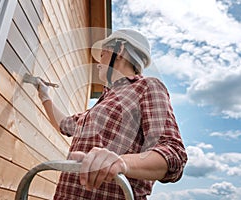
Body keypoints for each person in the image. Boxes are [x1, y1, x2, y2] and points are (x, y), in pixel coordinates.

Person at [38, 29, 188, 199]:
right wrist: (44, 95)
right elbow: (63, 123)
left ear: (120, 50)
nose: (98, 62)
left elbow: (173, 153)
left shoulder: (146, 87)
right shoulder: (100, 105)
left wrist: (121, 162)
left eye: (102, 54)